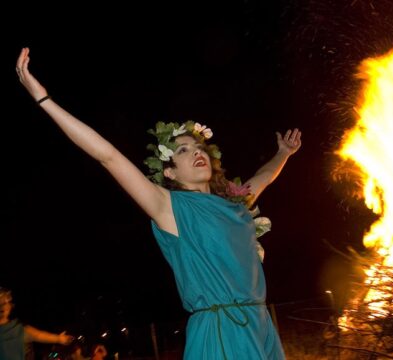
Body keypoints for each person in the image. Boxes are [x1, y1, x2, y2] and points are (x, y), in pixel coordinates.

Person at [15, 47, 302, 359]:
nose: (197, 152)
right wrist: (45, 101)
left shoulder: (235, 203)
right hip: (222, 330)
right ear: (169, 171)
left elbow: (263, 176)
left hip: (262, 328)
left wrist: (284, 153)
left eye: (199, 146)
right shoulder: (171, 207)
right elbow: (108, 156)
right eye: (183, 151)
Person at [0, 287, 74, 360]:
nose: (3, 307)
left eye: (6, 303)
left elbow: (38, 335)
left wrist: (59, 339)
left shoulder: (18, 329)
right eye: (1, 303)